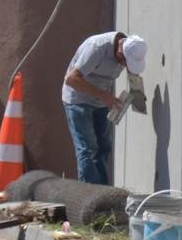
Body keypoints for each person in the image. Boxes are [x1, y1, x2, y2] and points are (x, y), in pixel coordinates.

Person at [61, 31, 148, 185]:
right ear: (120, 51)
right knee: (87, 149)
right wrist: (102, 95)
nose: (125, 66)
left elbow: (133, 75)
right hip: (78, 99)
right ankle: (87, 197)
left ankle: (103, 195)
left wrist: (138, 99)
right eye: (125, 62)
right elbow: (71, 79)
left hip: (102, 100)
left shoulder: (129, 50)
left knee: (104, 147)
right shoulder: (96, 48)